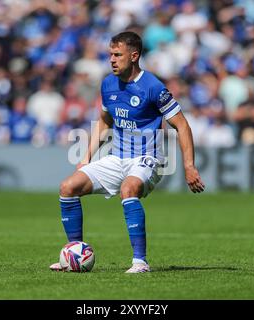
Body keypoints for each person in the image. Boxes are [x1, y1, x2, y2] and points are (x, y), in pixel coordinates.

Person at [49, 31, 205, 273]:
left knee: (128, 189)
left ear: (134, 56)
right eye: (110, 54)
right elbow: (104, 122)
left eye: (117, 55)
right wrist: (85, 157)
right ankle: (74, 253)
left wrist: (189, 166)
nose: (111, 59)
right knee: (68, 187)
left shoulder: (152, 87)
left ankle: (140, 262)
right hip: (117, 158)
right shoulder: (108, 83)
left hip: (147, 159)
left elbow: (181, 124)